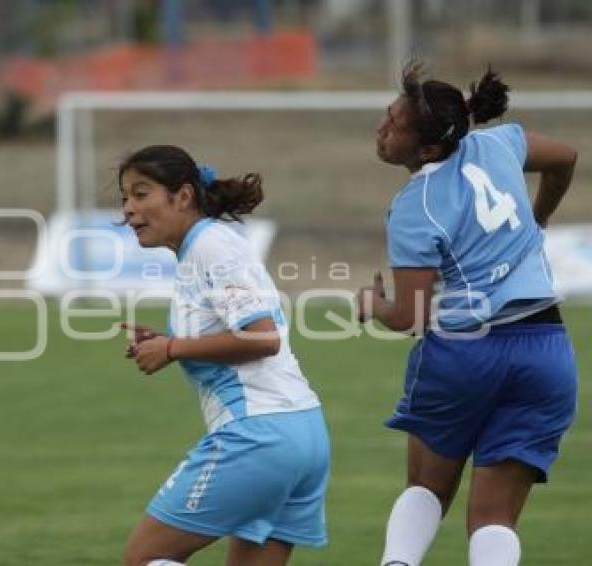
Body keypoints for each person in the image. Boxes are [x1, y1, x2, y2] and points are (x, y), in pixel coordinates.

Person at [358, 63, 578, 566]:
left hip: (465, 352)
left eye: (394, 125)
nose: (381, 128)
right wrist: (541, 214)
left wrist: (373, 306)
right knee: (494, 519)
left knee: (427, 488)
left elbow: (410, 318)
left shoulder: (416, 205)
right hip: (545, 352)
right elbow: (565, 158)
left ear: (429, 150)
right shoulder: (498, 144)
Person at [119, 145, 330, 566]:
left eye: (141, 194)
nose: (128, 209)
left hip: (258, 435)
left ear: (183, 196)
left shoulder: (209, 247)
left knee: (144, 558)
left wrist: (174, 348)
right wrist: (167, 343)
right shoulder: (206, 247)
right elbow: (241, 332)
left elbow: (261, 339)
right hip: (303, 432)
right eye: (124, 198)